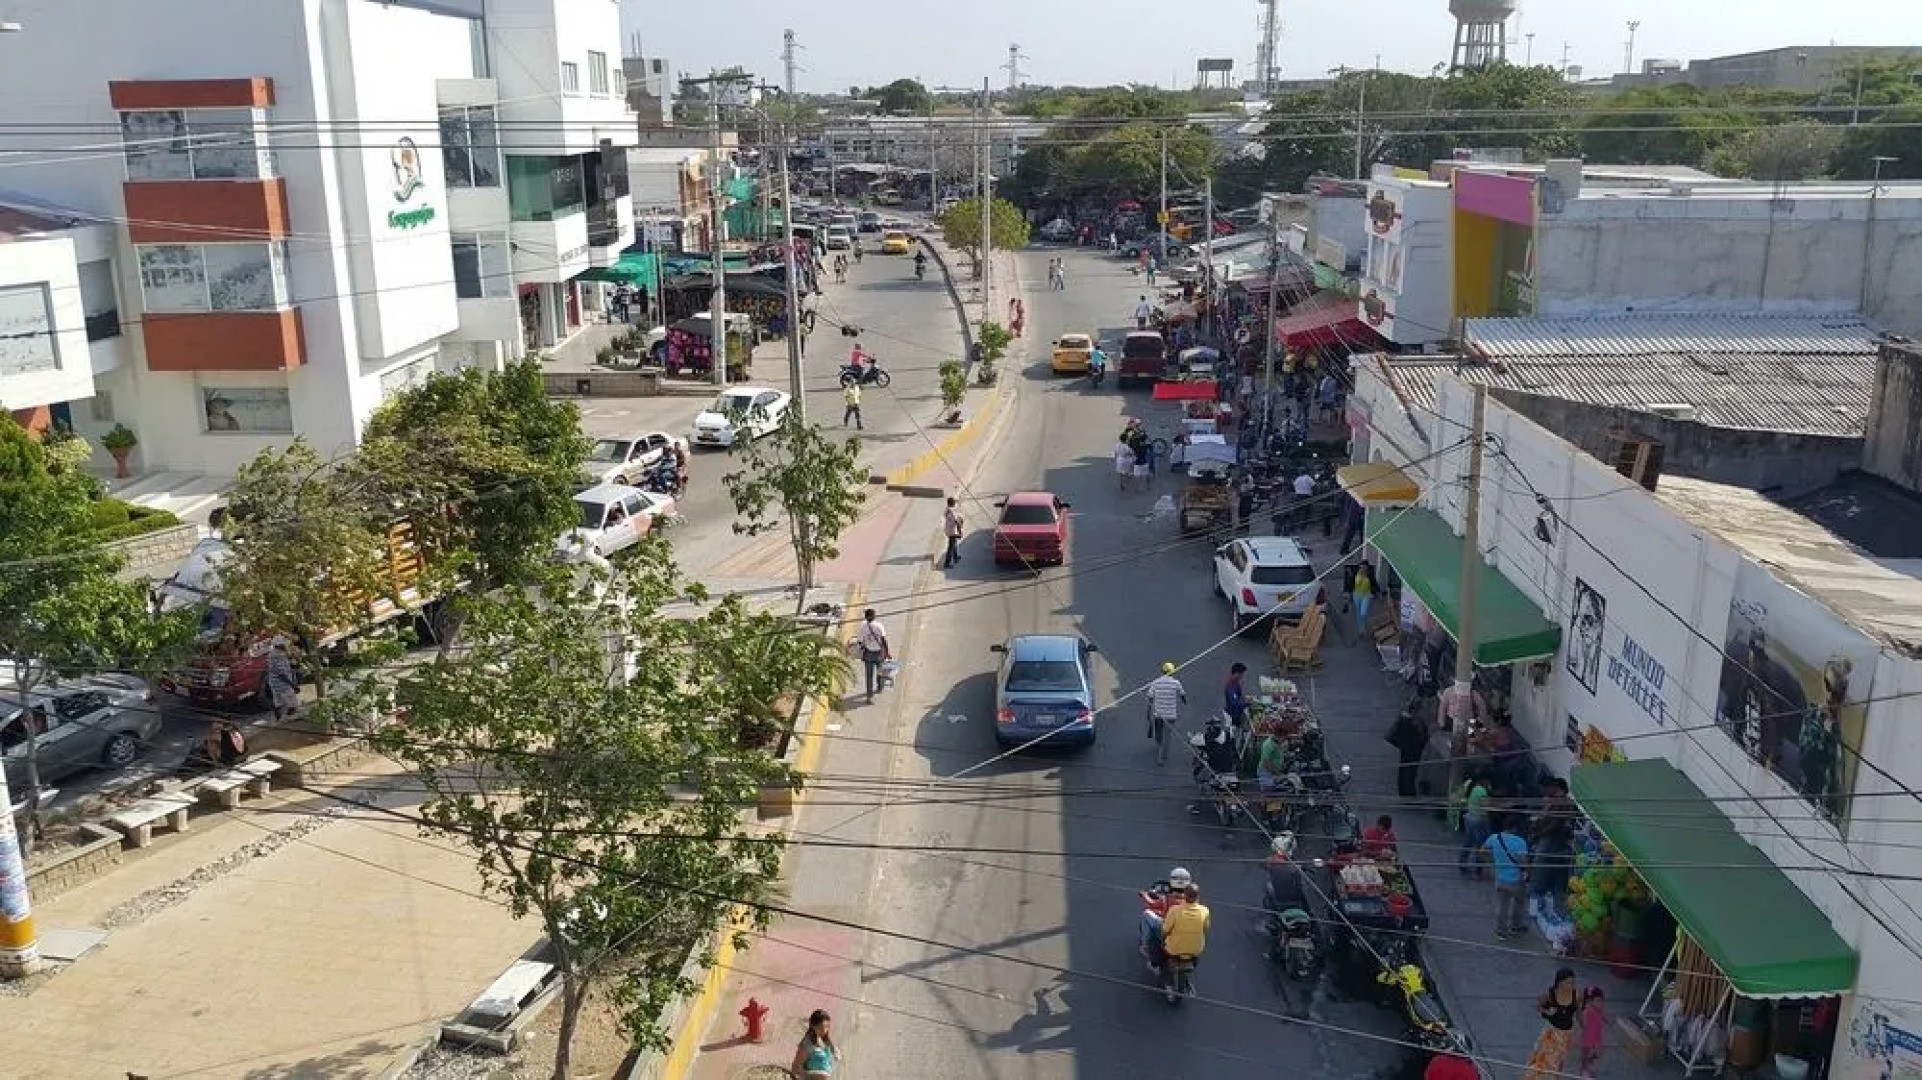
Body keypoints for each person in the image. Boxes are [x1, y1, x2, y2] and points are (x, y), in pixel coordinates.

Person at [1523, 969, 1581, 1080]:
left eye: (1573, 982)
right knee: (1543, 1058)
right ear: (1560, 982)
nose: (1571, 985)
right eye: (1568, 982)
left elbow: (1578, 1013)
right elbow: (1539, 1008)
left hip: (1565, 1034)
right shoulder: (1550, 995)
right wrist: (1547, 1012)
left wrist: (1585, 1029)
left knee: (1559, 1060)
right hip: (1551, 1033)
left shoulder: (1577, 995)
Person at [1483, 814, 1532, 940]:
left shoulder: (1494, 838)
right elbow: (1524, 862)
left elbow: (1483, 850)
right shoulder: (1520, 842)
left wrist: (1492, 861)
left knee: (1502, 906)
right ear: (1515, 827)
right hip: (1515, 880)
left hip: (1500, 879)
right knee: (1519, 903)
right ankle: (1516, 926)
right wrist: (1527, 874)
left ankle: (1500, 931)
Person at [1138, 866, 1192, 961]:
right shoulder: (1193, 902)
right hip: (1185, 933)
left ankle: (1144, 946)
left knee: (1146, 913)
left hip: (1167, 931)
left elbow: (1152, 904)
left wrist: (1144, 895)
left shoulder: (1166, 899)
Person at [1157, 883, 1210, 969]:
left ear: (1184, 896)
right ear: (1198, 896)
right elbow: (1205, 929)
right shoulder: (1205, 911)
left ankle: (1156, 964)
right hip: (1195, 950)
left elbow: (1165, 930)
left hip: (1173, 950)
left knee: (1156, 930)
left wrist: (1162, 942)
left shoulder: (1174, 910)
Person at [1386, 702, 1429, 799]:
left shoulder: (1404, 719)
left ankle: (1404, 791)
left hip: (1405, 748)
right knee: (1410, 771)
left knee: (1404, 769)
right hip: (1413, 749)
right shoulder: (1416, 722)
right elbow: (1422, 735)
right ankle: (1409, 792)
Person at [1146, 662, 1186, 766]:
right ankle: (1162, 757)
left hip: (1158, 714)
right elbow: (1182, 694)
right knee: (1167, 736)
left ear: (1162, 671)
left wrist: (1148, 713)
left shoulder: (1155, 682)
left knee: (1158, 733)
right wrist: (1184, 700)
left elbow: (1150, 697)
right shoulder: (1176, 683)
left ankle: (1159, 746)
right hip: (1170, 715)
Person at [1456, 773, 1492, 877]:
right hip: (1479, 819)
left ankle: (1462, 863)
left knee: (1469, 841)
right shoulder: (1482, 791)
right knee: (1480, 844)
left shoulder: (1475, 788)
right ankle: (1479, 868)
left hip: (1470, 817)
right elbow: (1486, 805)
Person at [1264, 833, 1308, 913]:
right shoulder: (1294, 869)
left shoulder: (1270, 862)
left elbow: (1263, 864)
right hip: (1293, 897)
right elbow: (1299, 886)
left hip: (1278, 895)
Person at [853, 608, 890, 703]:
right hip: (879, 653)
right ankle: (880, 686)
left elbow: (860, 641)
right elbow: (883, 640)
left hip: (868, 653)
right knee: (880, 671)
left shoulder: (863, 627)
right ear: (874, 616)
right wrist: (887, 652)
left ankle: (869, 697)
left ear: (865, 617)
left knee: (869, 676)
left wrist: (859, 650)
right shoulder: (879, 626)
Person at [791, 1009, 839, 1080]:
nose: (825, 1031)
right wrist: (817, 1075)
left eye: (827, 1026)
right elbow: (795, 1069)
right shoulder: (807, 1045)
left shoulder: (822, 1037)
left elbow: (831, 1049)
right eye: (821, 1028)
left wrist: (835, 1051)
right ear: (813, 1026)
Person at [266, 638, 300, 721]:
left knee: (278, 703)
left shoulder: (272, 654)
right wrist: (293, 685)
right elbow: (281, 674)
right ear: (280, 646)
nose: (286, 646)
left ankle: (279, 720)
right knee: (292, 704)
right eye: (284, 645)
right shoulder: (279, 656)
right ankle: (290, 718)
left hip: (274, 683)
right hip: (283, 684)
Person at [1579, 986, 1607, 1079]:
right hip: (1588, 1039)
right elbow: (1583, 1023)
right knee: (1586, 1054)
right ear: (1589, 1002)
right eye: (1598, 1001)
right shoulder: (1587, 1011)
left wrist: (1604, 1018)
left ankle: (1589, 1064)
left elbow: (1603, 1017)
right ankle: (1584, 1069)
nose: (1601, 1003)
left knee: (1595, 1054)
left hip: (1597, 1037)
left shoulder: (1600, 1009)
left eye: (1602, 1000)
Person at [1222, 662, 1249, 729]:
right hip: (1233, 715)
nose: (1242, 676)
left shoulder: (1235, 682)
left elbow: (1238, 696)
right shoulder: (1230, 687)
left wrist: (1244, 698)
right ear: (1236, 673)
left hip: (1236, 712)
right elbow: (1235, 703)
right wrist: (1246, 703)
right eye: (1241, 674)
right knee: (1234, 732)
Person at [1353, 562, 1377, 636]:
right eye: (1361, 567)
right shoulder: (1356, 574)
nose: (1362, 569)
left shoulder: (1369, 575)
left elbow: (1374, 583)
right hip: (1357, 595)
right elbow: (1352, 583)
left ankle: (1367, 628)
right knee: (1358, 614)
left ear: (1367, 568)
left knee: (1363, 613)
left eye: (1364, 567)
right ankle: (1361, 631)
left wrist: (1375, 593)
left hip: (1366, 595)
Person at [942, 497, 964, 569]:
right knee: (951, 547)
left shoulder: (947, 509)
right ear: (952, 503)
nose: (955, 503)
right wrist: (960, 532)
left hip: (948, 529)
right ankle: (947, 563)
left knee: (953, 543)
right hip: (952, 531)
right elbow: (957, 522)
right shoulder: (952, 512)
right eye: (954, 502)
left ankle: (955, 557)